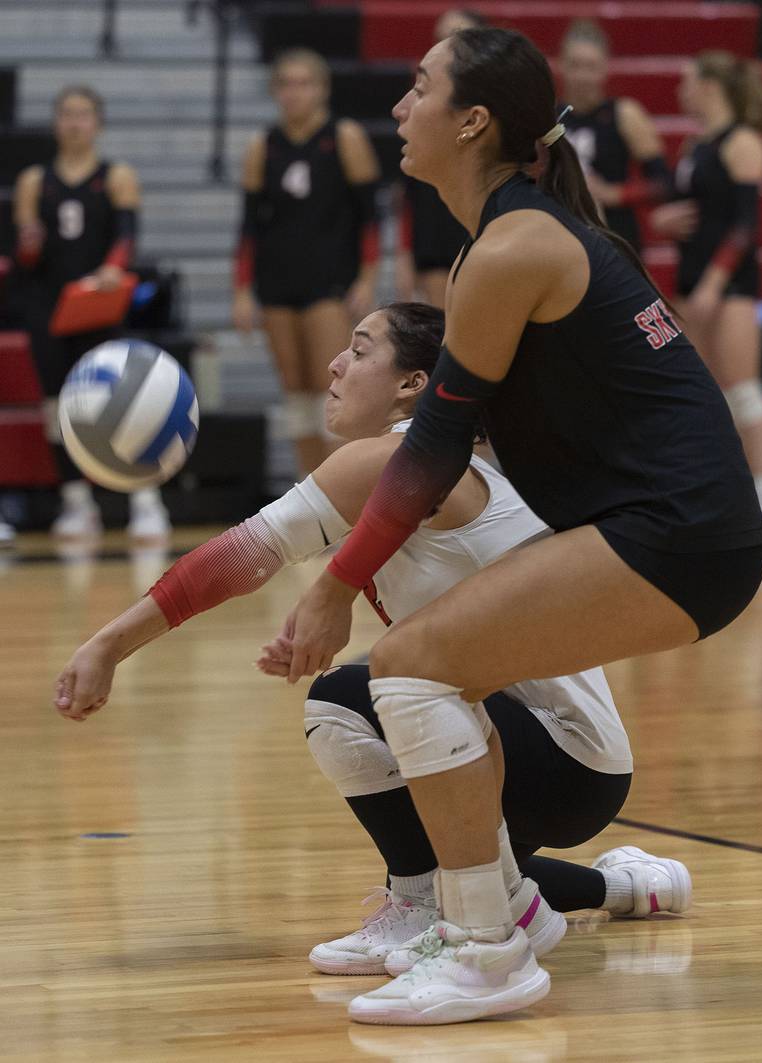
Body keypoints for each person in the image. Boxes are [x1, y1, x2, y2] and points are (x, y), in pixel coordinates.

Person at [273, 27, 762, 1026]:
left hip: (679, 528)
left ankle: (488, 950)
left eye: (419, 88)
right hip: (668, 523)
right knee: (422, 671)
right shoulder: (497, 245)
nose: (399, 106)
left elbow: (432, 447)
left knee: (409, 667)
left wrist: (332, 585)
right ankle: (489, 920)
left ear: (472, 122)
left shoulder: (513, 248)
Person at [52, 302, 689, 994]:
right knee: (459, 860)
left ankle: (424, 908)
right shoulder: (426, 461)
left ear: (413, 384)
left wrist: (108, 646)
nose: (334, 365)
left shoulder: (395, 456)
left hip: (558, 750)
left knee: (344, 703)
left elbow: (235, 559)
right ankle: (630, 888)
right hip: (561, 761)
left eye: (359, 351)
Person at [13, 85, 171, 540]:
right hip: (47, 307)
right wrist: (29, 245)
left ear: (97, 123)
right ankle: (77, 503)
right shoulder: (34, 181)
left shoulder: (116, 175)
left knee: (119, 405)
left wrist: (113, 268)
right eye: (66, 114)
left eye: (83, 114)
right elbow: (26, 257)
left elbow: (126, 235)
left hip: (98, 305)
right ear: (55, 122)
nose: (74, 122)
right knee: (56, 408)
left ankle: (146, 501)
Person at [650, 52, 762, 534]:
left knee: (745, 394)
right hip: (692, 283)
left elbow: (745, 226)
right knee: (703, 399)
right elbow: (687, 208)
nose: (680, 89)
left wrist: (713, 283)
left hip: (730, 290)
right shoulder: (695, 144)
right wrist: (664, 220)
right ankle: (718, 495)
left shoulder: (743, 141)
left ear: (709, 85)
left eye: (687, 80)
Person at [233, 48, 381, 474]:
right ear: (274, 91)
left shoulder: (344, 137)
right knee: (295, 393)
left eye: (304, 83)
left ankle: (342, 493)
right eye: (286, 84)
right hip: (276, 281)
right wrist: (242, 291)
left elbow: (371, 218)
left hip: (330, 281)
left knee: (330, 388)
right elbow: (248, 229)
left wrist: (367, 278)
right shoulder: (263, 146)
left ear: (323, 89)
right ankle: (309, 490)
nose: (294, 93)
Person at [395, 9, 485, 308]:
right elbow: (409, 187)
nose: (445, 45)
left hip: (487, 235)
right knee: (441, 329)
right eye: (440, 38)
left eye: (456, 38)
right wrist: (405, 253)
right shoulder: (419, 101)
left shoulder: (498, 103)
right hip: (436, 241)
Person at [559, 19, 671, 251]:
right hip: (561, 240)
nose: (582, 76)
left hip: (616, 239)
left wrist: (615, 193)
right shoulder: (548, 115)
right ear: (562, 65)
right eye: (575, 65)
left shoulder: (624, 114)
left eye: (590, 67)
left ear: (605, 68)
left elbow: (664, 183)